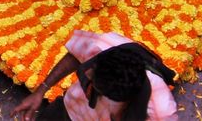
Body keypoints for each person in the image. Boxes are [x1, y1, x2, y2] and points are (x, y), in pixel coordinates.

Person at [13, 32, 178, 121]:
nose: (87, 73)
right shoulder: (105, 45)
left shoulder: (161, 111)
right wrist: (41, 90)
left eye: (94, 84)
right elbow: (76, 55)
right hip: (69, 112)